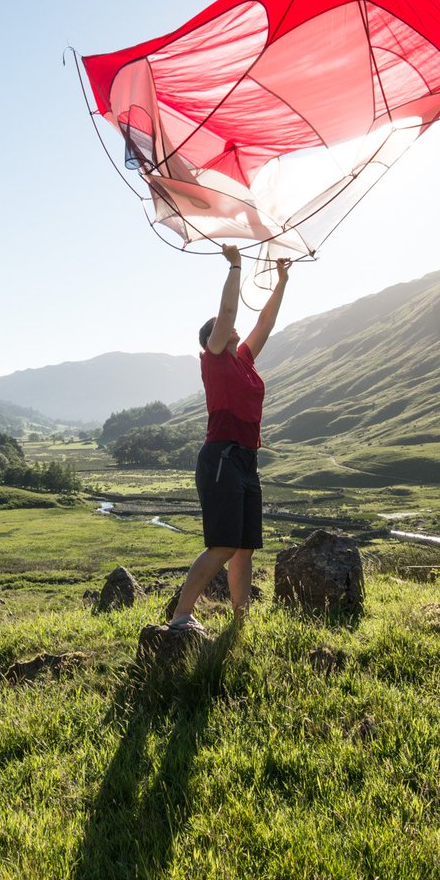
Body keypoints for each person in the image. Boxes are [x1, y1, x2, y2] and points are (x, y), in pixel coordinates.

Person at [168, 244, 289, 632]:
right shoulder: (215, 358)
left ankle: (240, 621)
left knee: (243, 548)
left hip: (246, 460)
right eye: (220, 326)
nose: (230, 326)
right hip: (221, 457)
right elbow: (229, 311)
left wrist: (282, 281)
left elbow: (266, 322)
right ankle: (181, 616)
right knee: (222, 545)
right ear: (212, 338)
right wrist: (236, 265)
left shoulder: (244, 360)